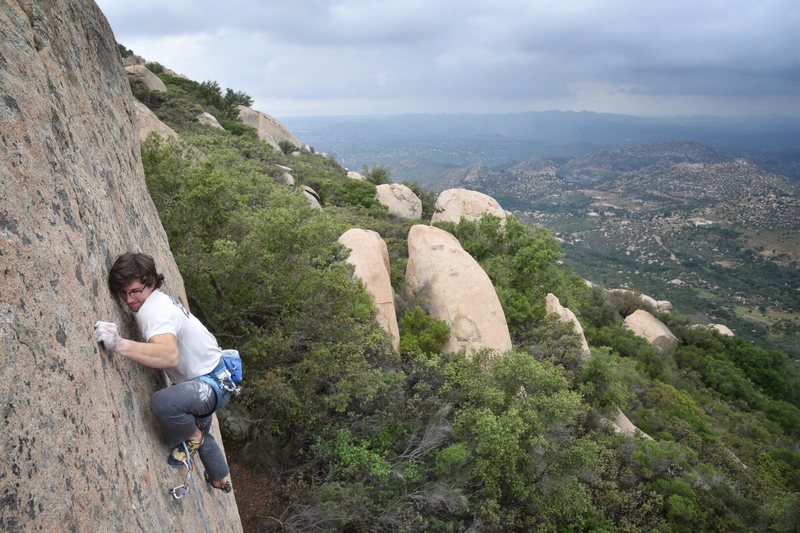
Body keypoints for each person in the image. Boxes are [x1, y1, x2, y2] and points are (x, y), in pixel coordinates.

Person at [93, 252, 233, 492]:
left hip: (208, 386)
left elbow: (169, 355)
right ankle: (220, 478)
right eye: (123, 293)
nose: (129, 300)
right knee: (197, 428)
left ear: (151, 282)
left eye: (135, 291)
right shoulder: (160, 300)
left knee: (166, 406)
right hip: (213, 378)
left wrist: (119, 345)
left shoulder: (153, 310)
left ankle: (194, 438)